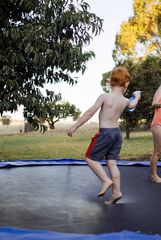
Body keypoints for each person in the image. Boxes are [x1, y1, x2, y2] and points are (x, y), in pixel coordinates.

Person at [67, 67, 141, 204]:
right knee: (112, 163)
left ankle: (105, 180)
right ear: (126, 84)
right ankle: (116, 192)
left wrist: (75, 126)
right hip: (117, 134)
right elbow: (132, 105)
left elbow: (90, 113)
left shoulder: (105, 97)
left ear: (110, 82)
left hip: (105, 133)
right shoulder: (125, 101)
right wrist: (137, 96)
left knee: (89, 158)